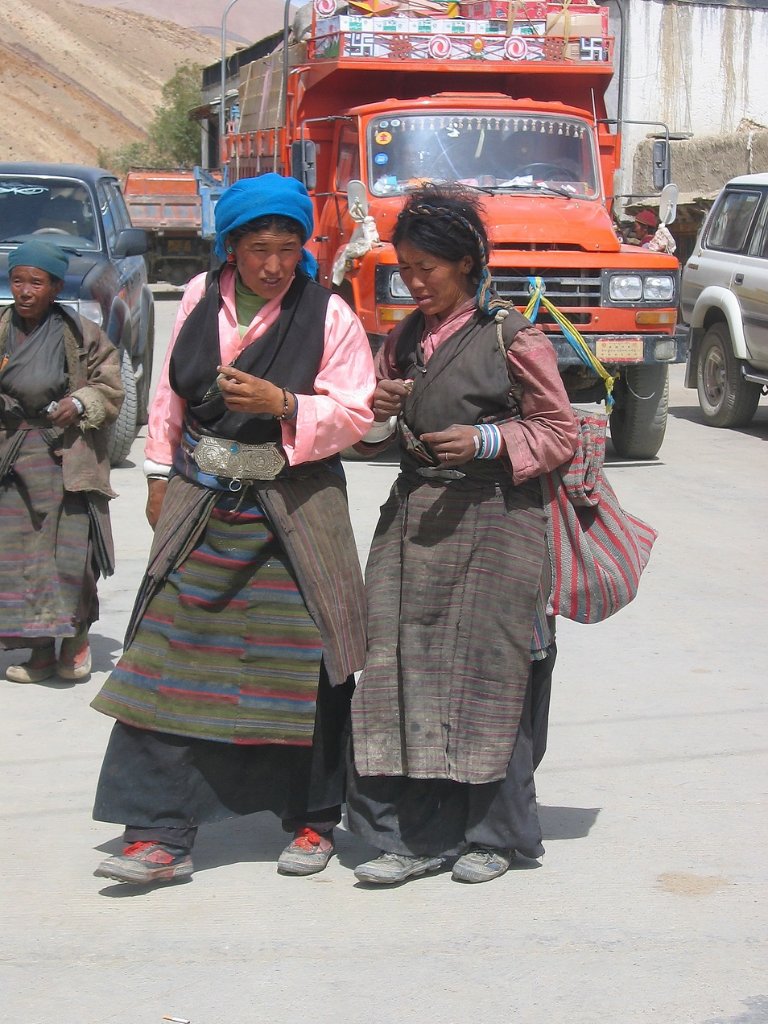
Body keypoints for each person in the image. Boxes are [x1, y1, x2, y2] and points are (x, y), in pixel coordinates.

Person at [90, 174, 376, 885]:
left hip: (295, 504)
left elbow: (357, 412)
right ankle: (159, 832)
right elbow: (169, 394)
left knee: (309, 660)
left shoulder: (329, 314)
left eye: (288, 248)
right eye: (258, 249)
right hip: (204, 500)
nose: (274, 265)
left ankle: (313, 818)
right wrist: (159, 474)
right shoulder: (196, 297)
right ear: (231, 247)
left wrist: (286, 402)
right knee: (166, 657)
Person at [347, 183, 579, 885]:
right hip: (415, 519)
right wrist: (381, 411)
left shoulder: (513, 334)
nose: (415, 281)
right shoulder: (405, 338)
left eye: (429, 268)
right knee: (398, 669)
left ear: (469, 262)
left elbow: (559, 431)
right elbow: (370, 441)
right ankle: (411, 838)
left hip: (498, 522)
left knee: (488, 675)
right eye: (406, 268)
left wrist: (484, 440)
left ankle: (491, 837)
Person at [0, 240, 123, 683]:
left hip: (65, 459)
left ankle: (75, 644)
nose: (26, 291)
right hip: (10, 460)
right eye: (19, 280)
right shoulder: (1, 327)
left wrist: (80, 401)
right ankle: (36, 653)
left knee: (73, 558)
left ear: (55, 287)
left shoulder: (81, 334)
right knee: (18, 559)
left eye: (37, 282)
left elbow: (110, 389)